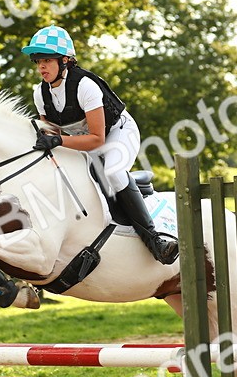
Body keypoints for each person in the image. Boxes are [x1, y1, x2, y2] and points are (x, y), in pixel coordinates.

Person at [22, 25, 179, 264]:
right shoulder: (40, 93)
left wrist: (59, 140)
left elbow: (97, 139)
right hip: (83, 141)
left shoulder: (85, 85)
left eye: (47, 60)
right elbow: (52, 135)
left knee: (112, 171)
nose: (41, 67)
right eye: (37, 61)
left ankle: (155, 240)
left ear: (65, 61)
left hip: (117, 134)